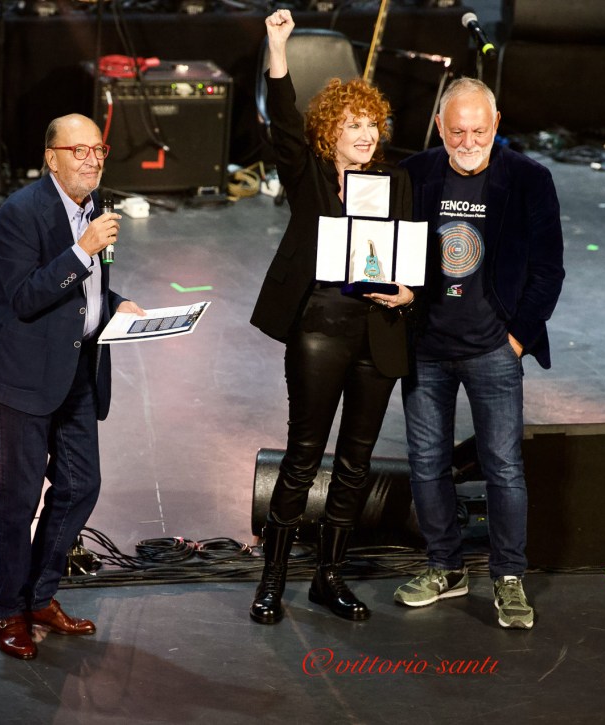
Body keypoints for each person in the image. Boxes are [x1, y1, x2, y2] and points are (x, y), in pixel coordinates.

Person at [249, 8, 415, 624]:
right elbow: (281, 118)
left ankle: (330, 577)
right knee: (304, 455)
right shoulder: (309, 174)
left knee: (356, 462)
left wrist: (409, 293)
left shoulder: (395, 182)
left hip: (379, 329)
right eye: (353, 125)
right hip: (320, 326)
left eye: (372, 124)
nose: (366, 134)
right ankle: (273, 579)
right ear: (329, 132)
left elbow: (410, 257)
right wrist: (278, 47)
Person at [393, 78, 565, 629]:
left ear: (496, 125)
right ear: (439, 127)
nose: (468, 142)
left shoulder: (530, 179)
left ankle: (508, 576)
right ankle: (445, 568)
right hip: (425, 349)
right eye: (457, 131)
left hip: (494, 349)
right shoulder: (414, 173)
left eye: (479, 131)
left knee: (503, 467)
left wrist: (516, 339)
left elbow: (548, 270)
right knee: (426, 463)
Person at [0, 113, 145, 659]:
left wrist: (117, 304)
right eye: (79, 151)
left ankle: (40, 596)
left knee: (80, 486)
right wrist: (81, 250)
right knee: (19, 499)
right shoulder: (19, 214)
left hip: (77, 373)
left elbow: (85, 294)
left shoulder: (94, 210)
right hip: (24, 380)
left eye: (99, 149)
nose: (92, 159)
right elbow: (24, 297)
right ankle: (8, 610)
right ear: (52, 158)